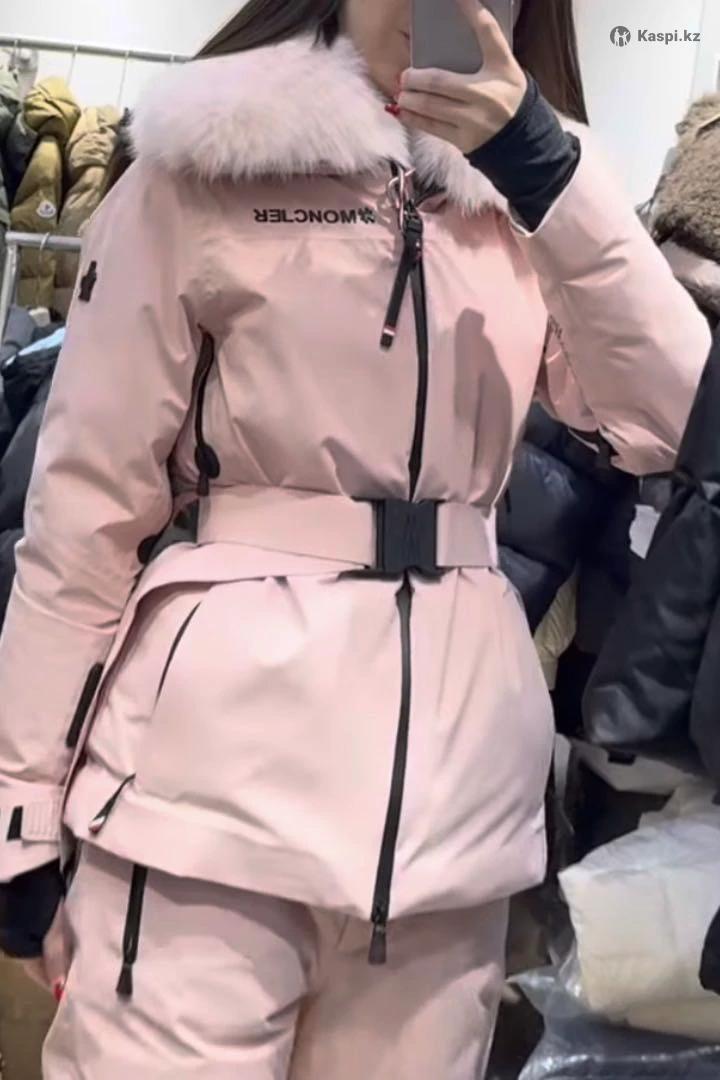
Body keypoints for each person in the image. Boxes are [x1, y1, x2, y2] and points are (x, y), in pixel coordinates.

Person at [0, 0, 710, 1076]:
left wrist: (547, 175)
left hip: (452, 828)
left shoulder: (537, 199)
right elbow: (82, 515)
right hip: (206, 810)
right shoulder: (208, 165)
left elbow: (682, 416)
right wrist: (20, 807)